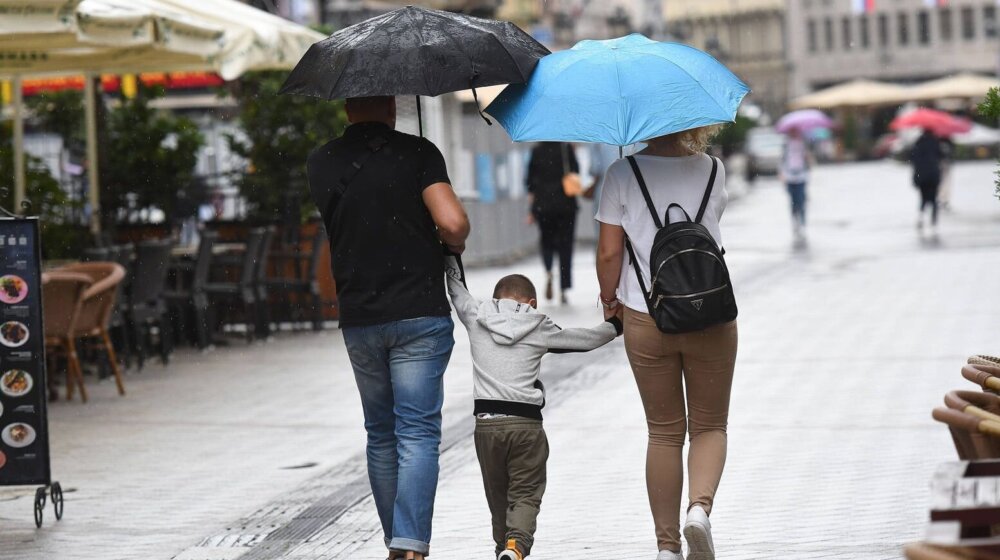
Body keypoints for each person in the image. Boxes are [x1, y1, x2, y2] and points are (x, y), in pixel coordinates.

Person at [306, 96, 470, 560]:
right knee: (416, 432)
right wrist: (445, 238)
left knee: (380, 433)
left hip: (359, 314)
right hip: (418, 311)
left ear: (346, 106)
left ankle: (396, 542)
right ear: (393, 105)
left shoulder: (320, 162)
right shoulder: (419, 153)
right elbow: (453, 224)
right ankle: (410, 543)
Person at [595, 125, 738, 560]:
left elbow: (609, 253)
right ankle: (699, 510)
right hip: (711, 312)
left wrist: (609, 300)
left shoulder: (622, 173)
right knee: (709, 426)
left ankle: (667, 547)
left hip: (648, 316)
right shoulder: (713, 169)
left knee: (663, 432)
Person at [444, 255, 622, 560]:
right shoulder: (538, 324)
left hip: (487, 425)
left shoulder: (476, 315)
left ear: (496, 298)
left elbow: (457, 289)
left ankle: (503, 548)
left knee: (497, 496)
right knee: (526, 492)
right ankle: (516, 546)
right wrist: (616, 325)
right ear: (532, 302)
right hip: (525, 425)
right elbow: (584, 340)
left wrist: (450, 251)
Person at [526, 142, 580, 304]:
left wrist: (533, 205)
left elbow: (529, 181)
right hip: (566, 205)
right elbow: (576, 172)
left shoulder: (536, 151)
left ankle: (549, 270)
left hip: (544, 206)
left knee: (546, 241)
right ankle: (563, 288)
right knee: (565, 246)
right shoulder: (566, 148)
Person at [910, 128, 945, 235]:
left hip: (922, 176)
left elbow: (913, 159)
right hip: (933, 175)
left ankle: (921, 217)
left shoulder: (918, 143)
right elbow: (941, 156)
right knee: (934, 198)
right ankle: (933, 220)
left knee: (923, 198)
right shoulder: (935, 142)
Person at [779, 127, 811, 241]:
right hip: (790, 177)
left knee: (801, 201)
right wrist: (782, 175)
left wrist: (807, 158)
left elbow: (808, 161)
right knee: (793, 202)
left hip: (801, 177)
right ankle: (795, 221)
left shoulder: (803, 144)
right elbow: (782, 161)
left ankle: (802, 223)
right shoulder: (786, 145)